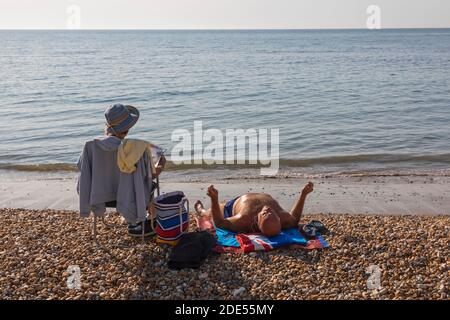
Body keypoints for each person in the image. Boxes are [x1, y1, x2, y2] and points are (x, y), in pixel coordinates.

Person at [77, 103, 165, 237]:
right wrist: (161, 165)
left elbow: (82, 167)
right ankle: (148, 221)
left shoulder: (92, 146)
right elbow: (148, 176)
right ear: (128, 127)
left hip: (101, 196)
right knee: (151, 181)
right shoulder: (136, 149)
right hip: (131, 195)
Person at [194, 182, 314, 237]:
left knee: (209, 213)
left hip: (233, 206)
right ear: (278, 219)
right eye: (272, 212)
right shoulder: (283, 218)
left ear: (257, 221)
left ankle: (200, 210)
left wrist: (214, 199)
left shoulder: (244, 219)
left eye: (266, 213)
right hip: (247, 200)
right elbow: (295, 218)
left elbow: (219, 223)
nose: (268, 208)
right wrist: (303, 195)